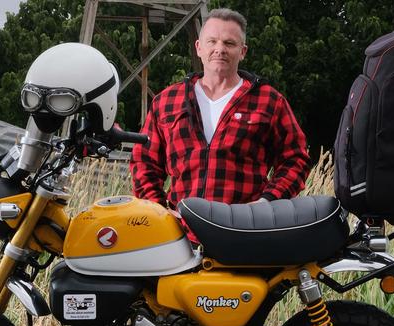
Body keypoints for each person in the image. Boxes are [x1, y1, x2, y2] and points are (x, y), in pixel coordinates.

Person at [131, 8, 311, 209]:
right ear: (199, 48)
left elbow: (296, 159)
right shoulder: (167, 101)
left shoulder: (268, 100)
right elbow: (143, 163)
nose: (220, 49)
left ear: (243, 51)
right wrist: (160, 211)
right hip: (180, 230)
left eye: (229, 43)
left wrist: (267, 202)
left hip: (244, 229)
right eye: (212, 41)